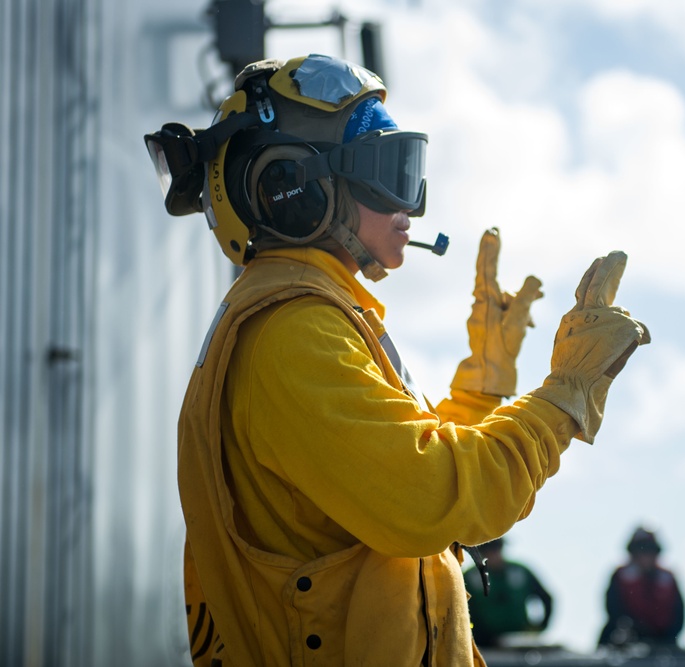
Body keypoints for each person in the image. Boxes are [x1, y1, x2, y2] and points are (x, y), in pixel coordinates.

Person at [144, 54, 649, 666]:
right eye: (386, 172)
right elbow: (433, 501)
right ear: (294, 189)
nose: (410, 205)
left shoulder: (308, 318)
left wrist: (482, 388)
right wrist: (566, 395)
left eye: (409, 172)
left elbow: (397, 487)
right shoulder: (295, 333)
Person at [598, 527, 685, 649]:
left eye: (649, 551)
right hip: (627, 637)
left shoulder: (667, 579)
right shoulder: (620, 576)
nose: (644, 556)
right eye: (640, 550)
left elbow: (679, 614)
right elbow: (613, 609)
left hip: (663, 639)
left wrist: (668, 638)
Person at [464, 537, 554, 647]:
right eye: (488, 550)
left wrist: (541, 627)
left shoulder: (520, 572)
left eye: (497, 548)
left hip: (519, 640)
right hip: (484, 644)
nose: (493, 554)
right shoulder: (469, 577)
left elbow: (546, 598)